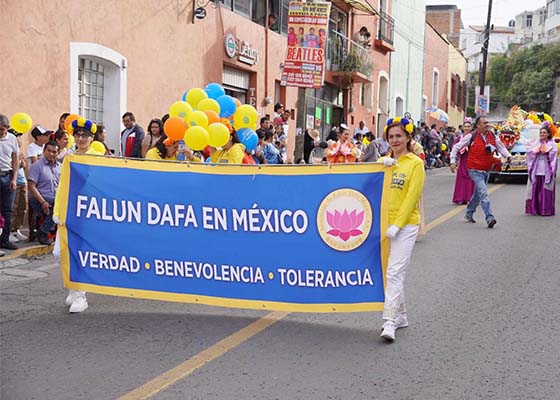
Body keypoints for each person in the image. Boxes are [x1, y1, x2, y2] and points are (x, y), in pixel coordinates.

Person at [378, 117, 426, 342]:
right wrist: (379, 166)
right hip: (382, 224)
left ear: (408, 137)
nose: (395, 140)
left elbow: (412, 196)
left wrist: (398, 223)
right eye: (391, 137)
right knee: (391, 270)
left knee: (394, 272)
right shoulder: (383, 161)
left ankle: (389, 321)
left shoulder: (415, 163)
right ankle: (402, 315)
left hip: (406, 225)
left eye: (399, 136)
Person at [54, 118, 103, 314]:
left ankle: (81, 294)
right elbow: (62, 187)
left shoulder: (97, 157)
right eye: (78, 135)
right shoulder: (69, 157)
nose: (81, 138)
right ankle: (73, 288)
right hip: (68, 209)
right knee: (62, 252)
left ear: (92, 138)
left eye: (85, 135)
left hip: (85, 211)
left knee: (80, 252)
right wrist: (57, 210)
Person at [450, 117, 512, 228]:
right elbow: (456, 147)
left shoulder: (492, 136)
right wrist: (453, 161)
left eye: (487, 122)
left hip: (487, 169)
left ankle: (469, 213)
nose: (487, 124)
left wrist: (508, 156)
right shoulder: (471, 136)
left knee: (478, 194)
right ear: (478, 126)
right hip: (474, 170)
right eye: (484, 123)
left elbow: (501, 148)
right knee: (484, 193)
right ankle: (489, 217)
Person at [27, 141, 61, 245]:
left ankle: (49, 230)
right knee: (59, 205)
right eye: (49, 151)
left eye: (54, 152)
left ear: (58, 153)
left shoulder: (60, 166)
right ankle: (44, 231)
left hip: (55, 197)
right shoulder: (37, 166)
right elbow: (31, 186)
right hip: (39, 197)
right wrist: (43, 202)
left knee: (64, 204)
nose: (51, 154)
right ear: (44, 151)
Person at [525, 122, 558, 216]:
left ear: (548, 134)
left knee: (545, 189)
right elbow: (529, 151)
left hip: (546, 169)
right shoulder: (535, 142)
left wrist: (547, 152)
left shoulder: (553, 144)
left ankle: (546, 210)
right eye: (541, 133)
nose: (542, 134)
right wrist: (536, 151)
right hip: (536, 168)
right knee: (535, 189)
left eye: (544, 133)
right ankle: (534, 209)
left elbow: (554, 154)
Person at [0, 114, 20, 250]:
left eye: (3, 129)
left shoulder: (12, 139)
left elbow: (15, 159)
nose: (1, 132)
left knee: (7, 210)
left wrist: (14, 178)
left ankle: (4, 239)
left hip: (7, 176)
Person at [9, 129, 28, 243]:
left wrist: (23, 164)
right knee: (13, 207)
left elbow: (23, 167)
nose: (19, 139)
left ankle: (17, 229)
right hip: (14, 181)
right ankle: (10, 229)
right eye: (17, 137)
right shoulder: (11, 150)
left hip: (22, 181)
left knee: (22, 207)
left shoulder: (20, 151)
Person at [452, 118, 475, 204]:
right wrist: (454, 160)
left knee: (470, 178)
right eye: (465, 126)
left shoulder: (473, 137)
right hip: (462, 160)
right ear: (462, 127)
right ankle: (460, 198)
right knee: (461, 178)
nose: (467, 128)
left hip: (471, 160)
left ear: (471, 127)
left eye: (468, 126)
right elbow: (455, 148)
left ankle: (470, 198)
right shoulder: (459, 138)